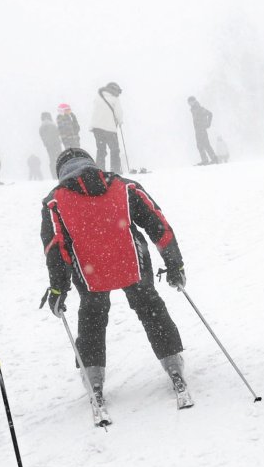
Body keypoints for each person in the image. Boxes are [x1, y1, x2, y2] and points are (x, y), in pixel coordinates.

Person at [40, 147, 191, 420]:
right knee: (150, 307)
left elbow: (56, 248)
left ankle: (93, 376)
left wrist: (58, 288)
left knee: (92, 316)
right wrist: (174, 262)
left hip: (90, 271)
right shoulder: (123, 186)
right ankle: (173, 362)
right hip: (131, 261)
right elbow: (158, 224)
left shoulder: (55, 202)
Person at [90, 82, 124, 172]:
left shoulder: (98, 97)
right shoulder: (114, 99)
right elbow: (119, 113)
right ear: (114, 90)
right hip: (109, 128)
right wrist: (120, 121)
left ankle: (100, 171)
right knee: (115, 150)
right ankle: (115, 170)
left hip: (96, 128)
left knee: (101, 150)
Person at [187, 96, 218, 165]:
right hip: (197, 130)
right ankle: (206, 159)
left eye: (189, 102)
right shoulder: (193, 109)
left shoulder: (199, 108)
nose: (189, 104)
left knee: (205, 144)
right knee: (201, 145)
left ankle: (213, 159)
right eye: (188, 102)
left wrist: (208, 124)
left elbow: (210, 114)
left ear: (194, 101)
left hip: (201, 129)